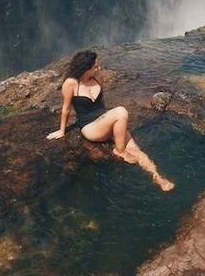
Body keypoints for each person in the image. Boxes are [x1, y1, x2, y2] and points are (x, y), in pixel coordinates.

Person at [46, 50, 175, 192]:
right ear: (86, 68)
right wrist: (62, 131)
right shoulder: (71, 83)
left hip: (105, 123)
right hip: (89, 127)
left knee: (136, 150)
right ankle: (119, 151)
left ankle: (158, 178)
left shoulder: (98, 77)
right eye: (95, 66)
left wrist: (109, 120)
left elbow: (101, 102)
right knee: (121, 111)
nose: (99, 68)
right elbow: (66, 109)